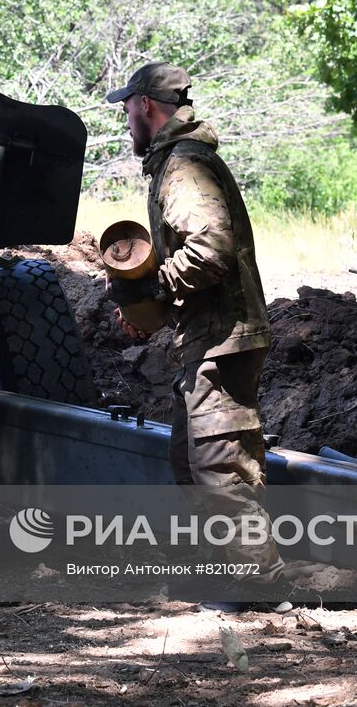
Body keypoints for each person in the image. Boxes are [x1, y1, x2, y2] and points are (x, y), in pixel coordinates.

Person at [106, 62, 287, 607]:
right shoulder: (176, 163)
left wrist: (157, 291)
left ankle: (262, 586)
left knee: (220, 463)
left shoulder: (184, 167)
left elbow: (209, 250)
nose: (126, 117)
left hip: (223, 336)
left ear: (147, 105)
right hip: (206, 336)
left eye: (128, 106)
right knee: (191, 460)